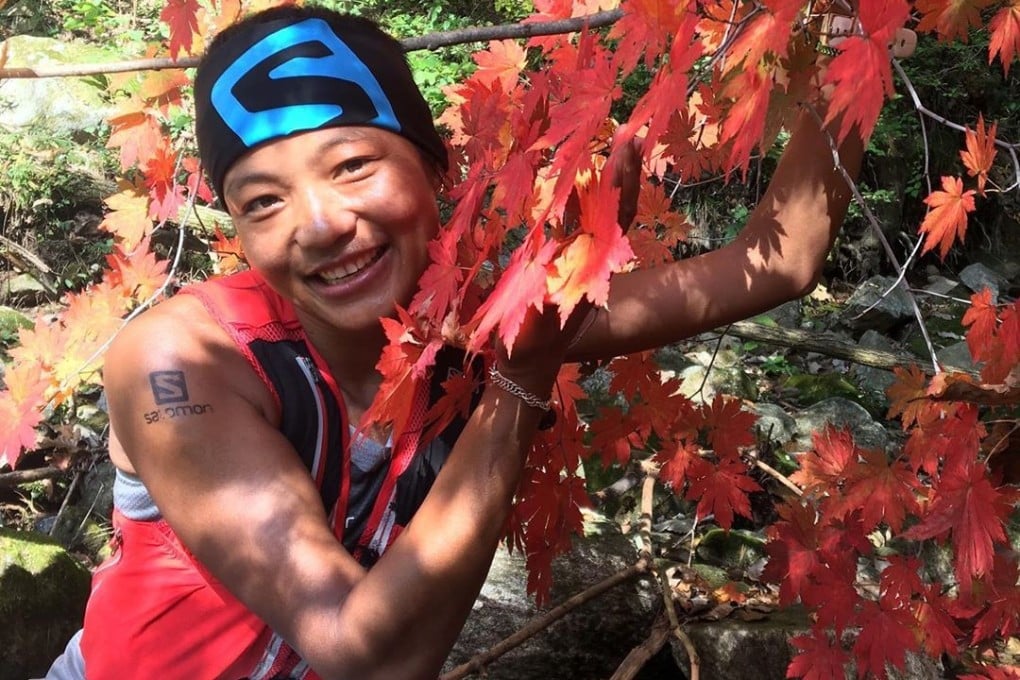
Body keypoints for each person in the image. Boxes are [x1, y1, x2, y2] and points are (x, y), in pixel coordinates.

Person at [46, 4, 864, 679]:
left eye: (354, 165)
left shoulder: (477, 320)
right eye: (262, 202)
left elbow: (778, 263)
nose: (321, 225)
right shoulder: (180, 361)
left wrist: (856, 41)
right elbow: (365, 654)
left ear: (436, 169)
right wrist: (522, 381)